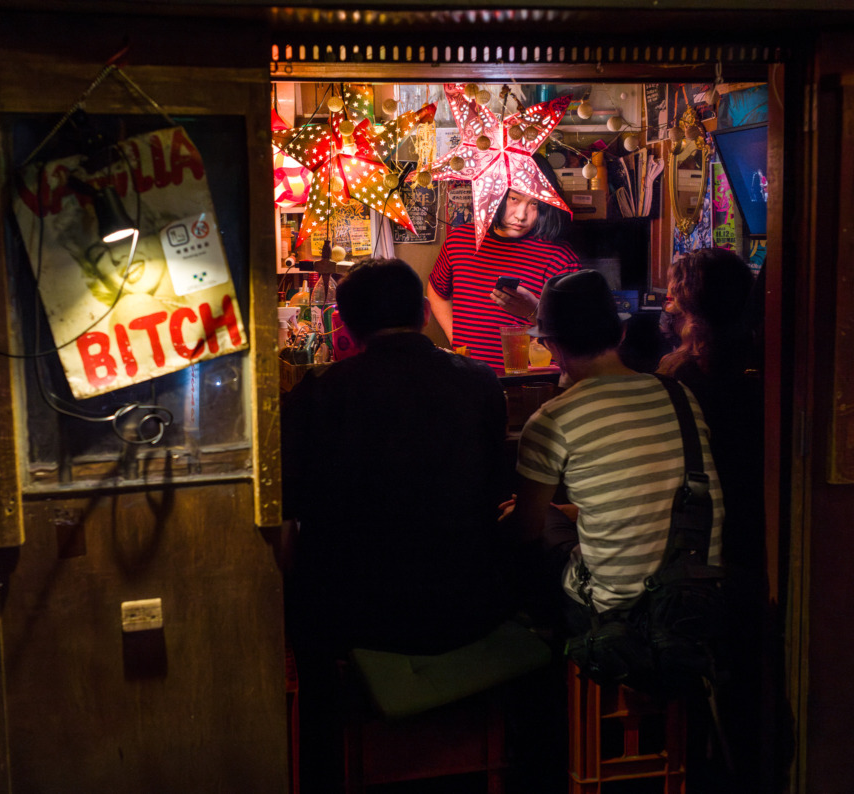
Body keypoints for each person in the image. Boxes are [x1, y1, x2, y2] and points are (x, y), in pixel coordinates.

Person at [281, 258, 512, 791]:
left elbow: (287, 528)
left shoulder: (314, 395)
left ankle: (319, 770)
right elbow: (494, 491)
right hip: (469, 609)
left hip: (353, 621)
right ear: (426, 311)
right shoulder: (480, 384)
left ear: (346, 324)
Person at [507, 269, 724, 637]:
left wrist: (528, 515)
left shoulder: (551, 420)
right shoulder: (678, 393)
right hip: (699, 592)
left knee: (529, 525)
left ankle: (540, 655)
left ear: (551, 345)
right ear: (620, 333)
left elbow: (523, 532)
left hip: (618, 614)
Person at [657, 247, 765, 792]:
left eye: (675, 292)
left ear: (690, 305)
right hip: (756, 537)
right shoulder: (757, 360)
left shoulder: (683, 380)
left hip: (703, 547)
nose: (667, 302)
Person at [426, 155, 580, 365]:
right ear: (494, 193)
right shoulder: (459, 241)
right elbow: (437, 291)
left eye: (534, 203)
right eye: (514, 198)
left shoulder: (559, 258)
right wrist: (456, 339)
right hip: (471, 380)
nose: (521, 215)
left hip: (530, 384)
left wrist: (534, 311)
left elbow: (578, 337)